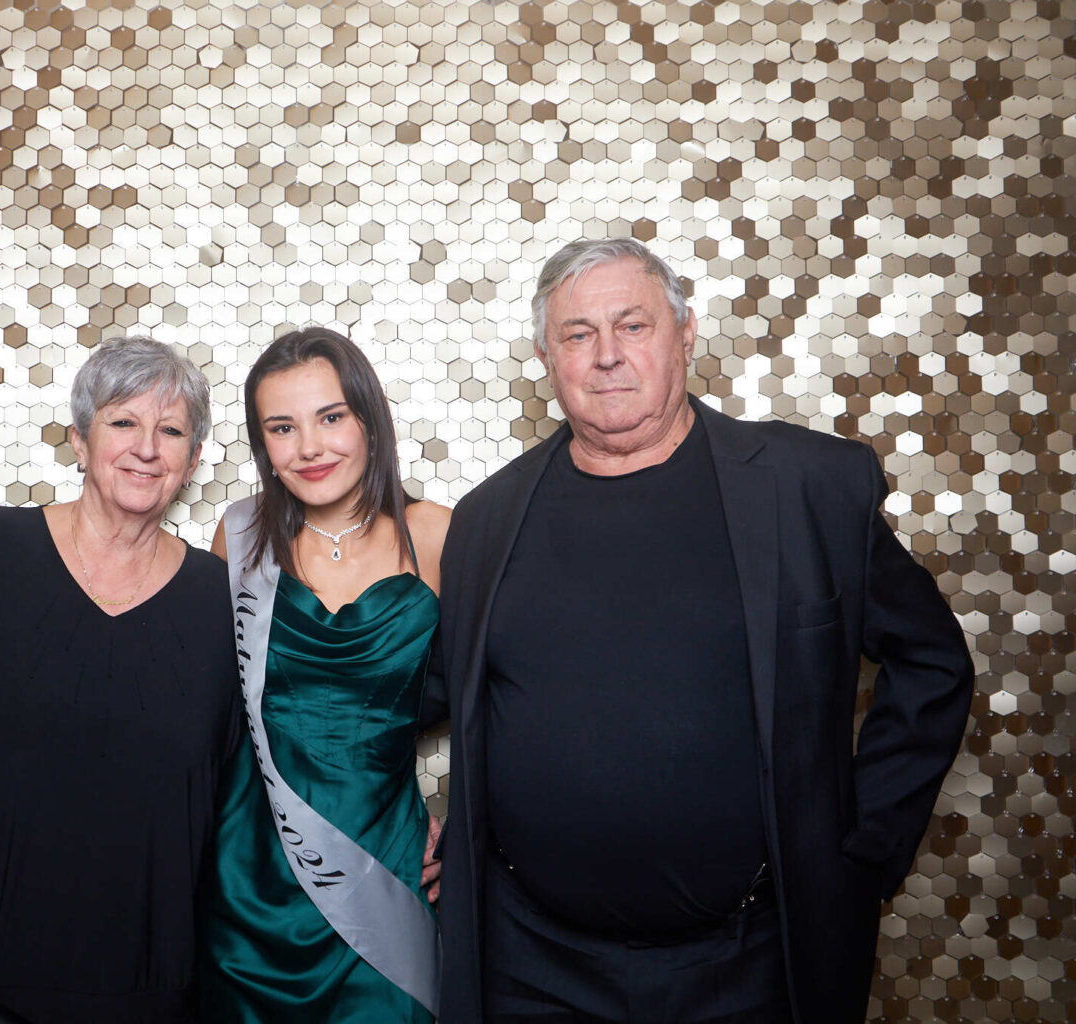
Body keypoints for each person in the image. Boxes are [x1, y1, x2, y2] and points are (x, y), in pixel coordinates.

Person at [427, 239, 975, 1024]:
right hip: (531, 969)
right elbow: (423, 688)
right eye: (578, 334)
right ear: (546, 357)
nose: (607, 355)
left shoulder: (808, 487)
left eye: (633, 325)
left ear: (685, 334)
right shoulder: (486, 519)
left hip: (749, 966)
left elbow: (933, 660)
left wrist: (866, 845)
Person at [0, 336, 241, 1024]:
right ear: (79, 441)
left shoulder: (221, 597)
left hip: (157, 984)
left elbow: (251, 786)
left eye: (172, 431)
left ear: (194, 459)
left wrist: (391, 829)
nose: (147, 448)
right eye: (123, 422)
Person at [199, 327, 450, 1023]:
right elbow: (206, 713)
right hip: (248, 881)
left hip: (386, 867)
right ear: (262, 445)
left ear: (370, 419)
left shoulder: (436, 534)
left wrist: (468, 829)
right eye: (283, 427)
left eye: (331, 417)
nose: (309, 447)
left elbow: (504, 702)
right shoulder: (240, 537)